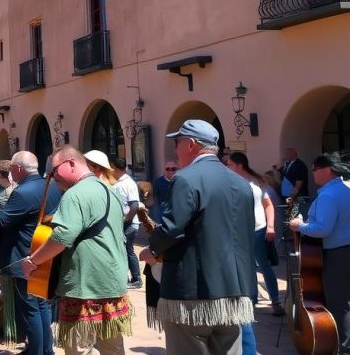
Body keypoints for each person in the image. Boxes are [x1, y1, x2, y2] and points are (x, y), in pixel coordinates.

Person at [142, 120, 255, 355]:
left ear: (191, 144)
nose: (175, 150)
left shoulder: (186, 179)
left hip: (193, 293)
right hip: (234, 291)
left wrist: (152, 250)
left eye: (177, 143)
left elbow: (172, 228)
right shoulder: (241, 183)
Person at [22, 146, 132, 355]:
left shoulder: (75, 195)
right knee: (113, 349)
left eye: (54, 171)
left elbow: (62, 237)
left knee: (79, 349)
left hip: (85, 286)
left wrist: (33, 261)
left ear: (71, 163)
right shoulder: (109, 190)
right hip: (112, 284)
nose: (53, 178)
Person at [0, 152, 59, 355]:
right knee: (42, 305)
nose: (10, 172)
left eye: (12, 168)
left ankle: (36, 351)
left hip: (23, 257)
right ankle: (46, 350)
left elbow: (3, 220)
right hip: (43, 252)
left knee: (30, 309)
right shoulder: (51, 186)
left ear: (19, 168)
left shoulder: (22, 192)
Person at [289, 153, 350, 354]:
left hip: (337, 254)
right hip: (344, 250)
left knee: (339, 303)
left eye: (314, 169)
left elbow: (323, 229)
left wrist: (299, 225)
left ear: (327, 170)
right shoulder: (344, 190)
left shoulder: (329, 195)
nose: (313, 173)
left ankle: (342, 348)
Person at [226, 152, 282, 316]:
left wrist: (270, 226)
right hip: (239, 231)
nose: (227, 167)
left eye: (229, 164)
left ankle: (275, 300)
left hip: (259, 229)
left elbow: (268, 205)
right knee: (246, 267)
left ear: (239, 165)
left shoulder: (257, 182)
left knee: (264, 266)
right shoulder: (229, 183)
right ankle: (250, 299)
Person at [107, 154, 142, 290]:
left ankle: (136, 279)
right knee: (123, 250)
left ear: (115, 168)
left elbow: (134, 206)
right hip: (123, 223)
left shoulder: (128, 183)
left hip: (129, 224)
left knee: (127, 250)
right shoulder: (118, 182)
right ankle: (125, 277)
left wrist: (123, 222)